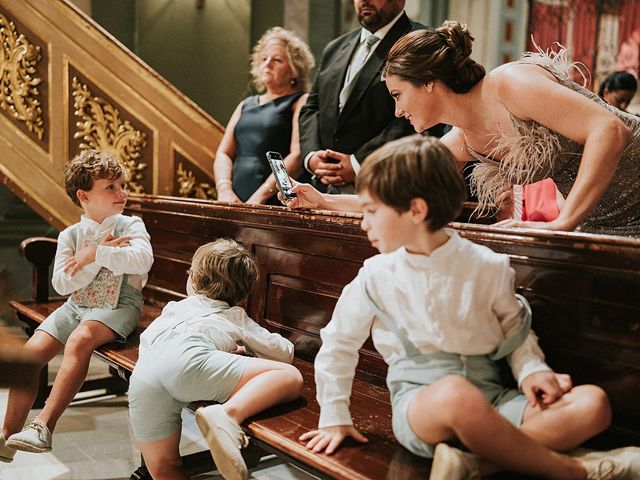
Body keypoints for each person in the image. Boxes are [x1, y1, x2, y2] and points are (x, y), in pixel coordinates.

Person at [299, 134, 640, 479]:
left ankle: (474, 465)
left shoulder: (486, 264)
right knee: (456, 395)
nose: (364, 222)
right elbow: (339, 345)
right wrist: (335, 417)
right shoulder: (375, 274)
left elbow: (514, 331)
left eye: (371, 211)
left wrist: (533, 371)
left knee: (592, 404)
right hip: (423, 405)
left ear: (416, 210)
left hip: (493, 398)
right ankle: (572, 471)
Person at [0, 150, 153, 462]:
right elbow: (62, 284)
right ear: (84, 195)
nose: (121, 192)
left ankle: (43, 426)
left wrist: (93, 254)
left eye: (122, 185)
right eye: (110, 187)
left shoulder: (132, 226)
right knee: (30, 356)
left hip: (119, 305)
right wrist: (94, 256)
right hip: (76, 305)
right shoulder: (70, 235)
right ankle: (5, 437)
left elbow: (141, 259)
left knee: (81, 339)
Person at [128, 238, 302, 480]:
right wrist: (248, 353)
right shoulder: (234, 315)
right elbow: (284, 354)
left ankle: (223, 418)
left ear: (196, 280)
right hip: (189, 362)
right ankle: (228, 415)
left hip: (144, 373)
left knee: (164, 468)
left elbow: (149, 342)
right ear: (243, 292)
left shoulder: (175, 308)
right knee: (289, 376)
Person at [299, 0, 440, 194]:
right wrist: (312, 156)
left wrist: (359, 162)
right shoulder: (334, 47)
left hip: (384, 183)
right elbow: (312, 107)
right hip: (321, 184)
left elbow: (420, 112)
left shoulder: (420, 41)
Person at [214, 27, 314, 205]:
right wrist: (224, 190)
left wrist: (261, 195)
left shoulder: (300, 101)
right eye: (264, 58)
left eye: (277, 60)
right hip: (234, 197)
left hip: (274, 197)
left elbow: (297, 156)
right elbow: (223, 153)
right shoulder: (246, 104)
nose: (267, 64)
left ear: (294, 70)